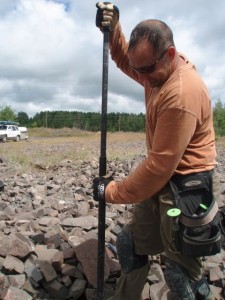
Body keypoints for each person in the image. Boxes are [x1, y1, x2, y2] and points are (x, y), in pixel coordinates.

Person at [93, 2, 220, 299]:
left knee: (180, 273)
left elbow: (158, 168)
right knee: (130, 245)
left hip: (187, 189)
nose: (143, 79)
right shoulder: (156, 71)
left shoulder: (181, 93)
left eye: (147, 70)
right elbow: (128, 60)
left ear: (170, 54)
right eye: (141, 71)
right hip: (161, 184)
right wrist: (113, 30)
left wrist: (111, 191)